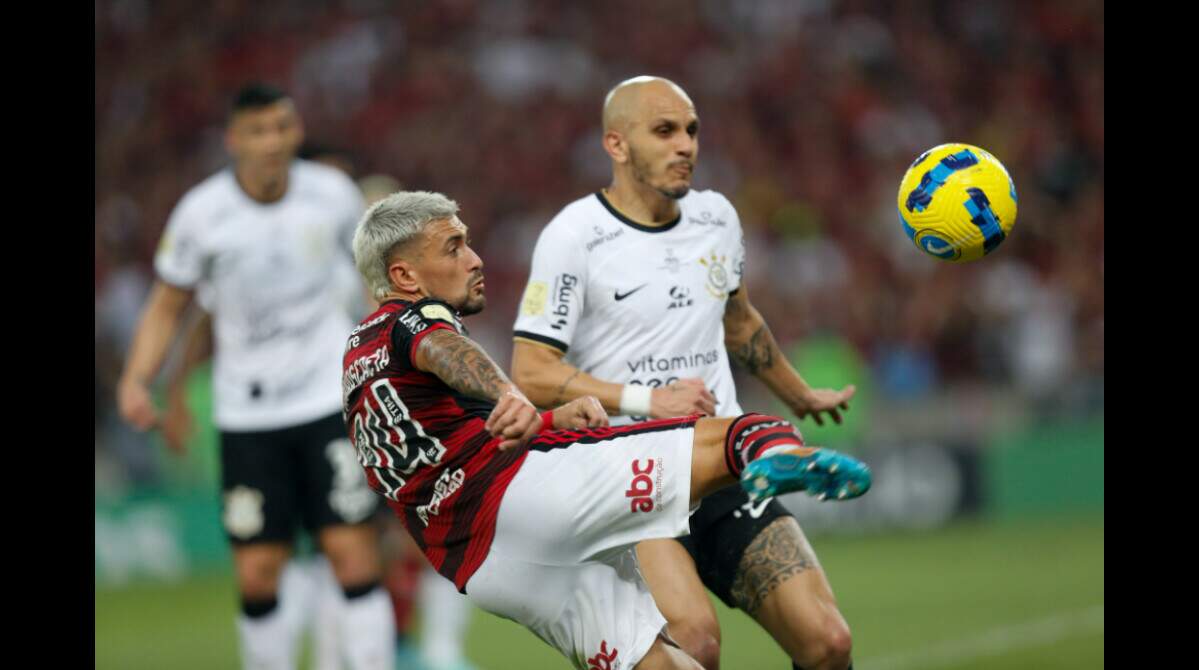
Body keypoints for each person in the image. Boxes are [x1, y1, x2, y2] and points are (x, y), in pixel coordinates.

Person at [343, 189, 870, 670]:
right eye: (453, 247)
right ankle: (783, 454)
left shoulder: (356, 355)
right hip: (530, 498)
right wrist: (509, 395)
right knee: (726, 434)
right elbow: (447, 349)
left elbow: (444, 450)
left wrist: (547, 419)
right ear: (406, 277)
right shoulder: (414, 320)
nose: (474, 259)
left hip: (484, 567)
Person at [510, 76, 858, 670]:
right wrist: (650, 400)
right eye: (665, 130)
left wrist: (799, 395)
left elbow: (739, 321)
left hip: (719, 464)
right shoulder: (575, 236)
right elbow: (532, 369)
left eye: (691, 130)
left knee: (828, 642)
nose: (686, 146)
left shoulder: (716, 218)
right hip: (631, 481)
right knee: (695, 643)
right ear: (616, 145)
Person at [117, 83, 395, 670]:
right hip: (247, 413)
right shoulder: (201, 214)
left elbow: (373, 280)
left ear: (295, 132)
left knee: (351, 553)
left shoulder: (332, 194)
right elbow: (170, 304)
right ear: (234, 140)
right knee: (259, 568)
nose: (272, 142)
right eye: (258, 131)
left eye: (281, 128)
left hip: (328, 399)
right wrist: (138, 380)